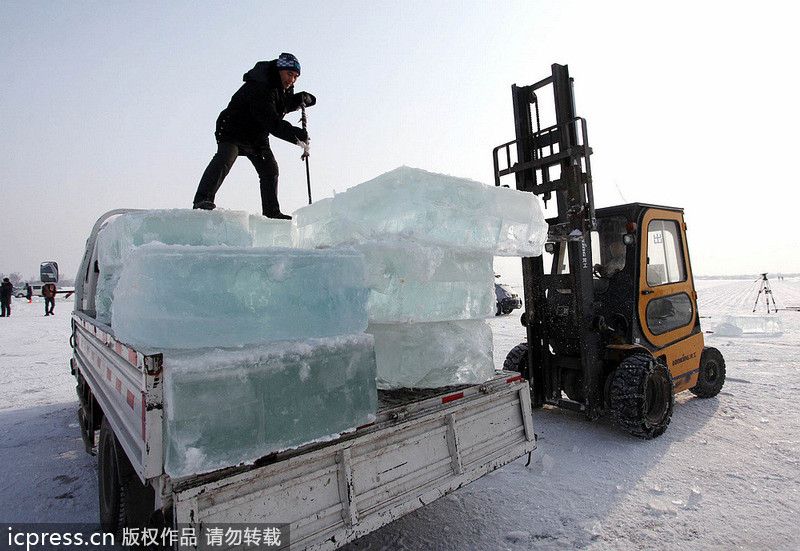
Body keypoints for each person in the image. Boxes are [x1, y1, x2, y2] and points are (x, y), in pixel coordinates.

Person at [192, 53, 316, 220]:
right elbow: (270, 119)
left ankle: (272, 213)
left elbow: (282, 104)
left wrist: (302, 99)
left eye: (295, 76)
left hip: (257, 136)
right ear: (279, 70)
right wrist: (297, 135)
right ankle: (202, 200)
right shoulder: (260, 86)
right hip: (233, 130)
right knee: (225, 158)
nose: (292, 80)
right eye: (289, 74)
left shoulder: (281, 89)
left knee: (270, 170)